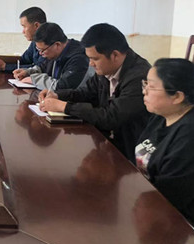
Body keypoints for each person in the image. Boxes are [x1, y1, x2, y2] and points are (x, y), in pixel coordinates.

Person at [135, 58, 194, 244]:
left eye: (151, 86)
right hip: (161, 205)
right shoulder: (164, 115)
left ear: (177, 96)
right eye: (145, 84)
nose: (144, 91)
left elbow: (172, 197)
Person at [39, 23, 151, 160]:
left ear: (115, 55)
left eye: (94, 59)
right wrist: (57, 95)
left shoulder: (139, 77)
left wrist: (64, 107)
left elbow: (111, 117)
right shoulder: (107, 68)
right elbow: (86, 92)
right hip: (105, 143)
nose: (90, 64)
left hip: (129, 154)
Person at [15, 22, 89, 91]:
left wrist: (34, 79)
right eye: (38, 50)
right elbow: (44, 67)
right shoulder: (55, 52)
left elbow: (62, 87)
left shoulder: (78, 58)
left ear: (57, 45)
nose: (40, 54)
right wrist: (28, 72)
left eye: (42, 50)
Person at [0, 6, 46, 73]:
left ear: (36, 26)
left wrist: (5, 67)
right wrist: (0, 62)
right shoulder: (35, 41)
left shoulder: (49, 42)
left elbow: (39, 68)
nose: (23, 31)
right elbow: (24, 60)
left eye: (24, 27)